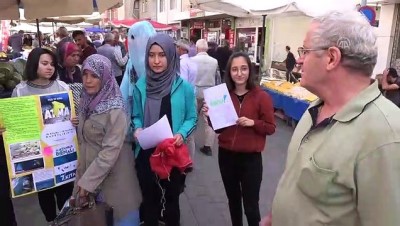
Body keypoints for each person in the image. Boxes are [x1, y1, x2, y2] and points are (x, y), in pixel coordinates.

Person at [262, 10, 400, 226]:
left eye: (305, 51)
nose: (299, 60)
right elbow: (296, 180)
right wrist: (275, 215)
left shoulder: (386, 134)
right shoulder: (314, 109)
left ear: (332, 58)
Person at [202, 52, 276, 226]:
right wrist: (210, 116)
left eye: (243, 68)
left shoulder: (261, 96)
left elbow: (271, 128)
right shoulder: (223, 95)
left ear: (250, 70)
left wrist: (253, 123)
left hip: (251, 159)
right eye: (235, 69)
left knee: (251, 206)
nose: (239, 73)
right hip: (226, 156)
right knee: (233, 201)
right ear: (229, 72)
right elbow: (219, 128)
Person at [132, 33, 197, 226]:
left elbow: (192, 118)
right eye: (151, 55)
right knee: (149, 200)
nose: (156, 61)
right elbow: (134, 115)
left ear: (171, 55)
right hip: (146, 153)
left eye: (162, 55)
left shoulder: (183, 87)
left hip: (172, 153)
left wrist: (182, 133)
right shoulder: (140, 85)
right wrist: (136, 128)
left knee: (171, 202)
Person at [73, 54, 142, 226]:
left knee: (119, 218)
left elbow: (110, 151)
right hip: (89, 175)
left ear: (105, 77)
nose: (88, 80)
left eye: (94, 76)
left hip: (114, 181)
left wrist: (86, 183)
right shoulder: (85, 102)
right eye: (85, 74)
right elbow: (86, 141)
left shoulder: (115, 109)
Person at [11, 48, 73, 224]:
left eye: (52, 64)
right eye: (45, 63)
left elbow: (71, 117)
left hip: (61, 152)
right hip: (36, 154)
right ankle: (51, 221)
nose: (50, 68)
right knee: (44, 192)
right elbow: (16, 123)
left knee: (65, 193)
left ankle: (65, 220)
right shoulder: (20, 91)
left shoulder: (62, 87)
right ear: (33, 64)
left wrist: (74, 120)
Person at [191, 39, 221, 156]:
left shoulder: (192, 60)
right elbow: (218, 78)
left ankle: (190, 141)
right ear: (207, 49)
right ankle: (208, 146)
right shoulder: (214, 61)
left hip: (195, 91)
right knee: (209, 120)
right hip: (210, 91)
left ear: (197, 48)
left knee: (193, 117)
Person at [175, 38, 198, 161]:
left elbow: (182, 83)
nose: (175, 49)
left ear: (181, 49)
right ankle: (189, 160)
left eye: (177, 47)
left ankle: (185, 161)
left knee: (184, 132)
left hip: (184, 99)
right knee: (190, 133)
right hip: (192, 96)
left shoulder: (182, 63)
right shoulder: (192, 63)